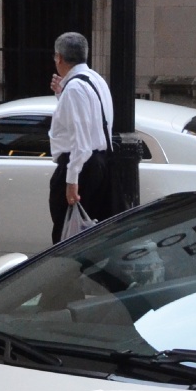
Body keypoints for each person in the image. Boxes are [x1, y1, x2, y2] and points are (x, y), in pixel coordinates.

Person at [45, 31, 115, 242]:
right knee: (91, 233)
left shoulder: (75, 87)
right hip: (99, 163)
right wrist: (61, 94)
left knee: (67, 234)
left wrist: (71, 180)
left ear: (59, 57)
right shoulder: (96, 79)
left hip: (82, 165)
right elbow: (88, 123)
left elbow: (81, 141)